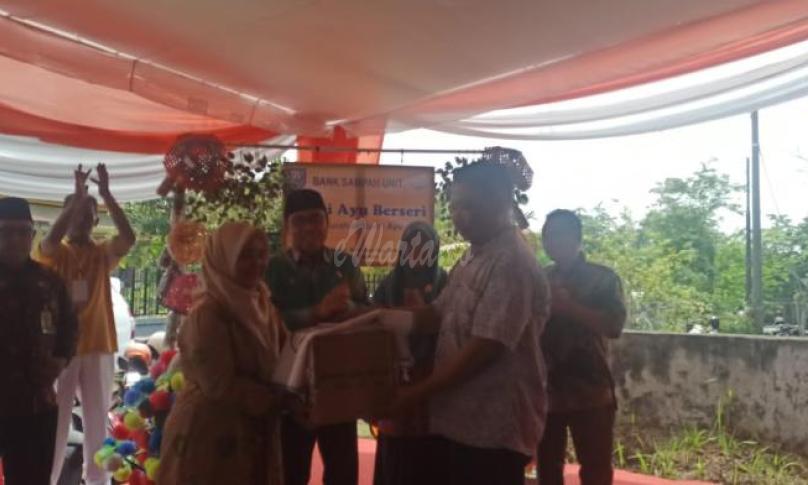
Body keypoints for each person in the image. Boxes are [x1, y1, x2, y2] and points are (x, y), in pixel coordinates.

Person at [391, 161, 550, 485]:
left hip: (493, 426)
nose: (460, 216)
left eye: (470, 206)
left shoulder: (510, 262)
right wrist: (379, 319)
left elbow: (485, 348)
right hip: (458, 421)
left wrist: (416, 393)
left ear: (501, 202)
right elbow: (437, 314)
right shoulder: (473, 256)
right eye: (454, 207)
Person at [158, 222, 285, 485]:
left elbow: (284, 353)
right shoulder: (209, 313)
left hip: (252, 431)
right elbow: (219, 385)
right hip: (209, 436)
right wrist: (278, 399)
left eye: (261, 254)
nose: (257, 263)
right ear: (223, 259)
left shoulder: (262, 303)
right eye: (245, 255)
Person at [35, 164, 136, 485]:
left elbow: (129, 238)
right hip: (60, 350)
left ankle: (97, 481)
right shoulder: (55, 253)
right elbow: (50, 240)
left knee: (97, 422)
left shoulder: (102, 253)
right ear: (66, 218)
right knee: (56, 422)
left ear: (95, 220)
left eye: (87, 215)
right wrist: (76, 200)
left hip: (98, 346)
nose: (80, 220)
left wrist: (105, 194)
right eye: (74, 214)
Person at [266, 188, 367, 485]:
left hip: (338, 384)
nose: (309, 227)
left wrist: (349, 308)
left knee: (343, 472)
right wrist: (317, 312)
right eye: (300, 221)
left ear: (327, 222)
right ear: (287, 226)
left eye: (315, 219)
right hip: (289, 390)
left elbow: (366, 313)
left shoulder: (345, 264)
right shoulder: (272, 269)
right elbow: (265, 323)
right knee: (291, 472)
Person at [537, 209, 627, 485]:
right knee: (547, 468)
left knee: (596, 469)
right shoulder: (541, 278)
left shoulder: (602, 278)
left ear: (577, 237)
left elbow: (613, 326)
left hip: (590, 390)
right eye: (547, 235)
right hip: (547, 389)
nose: (551, 240)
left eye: (558, 234)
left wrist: (568, 307)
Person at [0, 197, 78, 485]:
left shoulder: (50, 282)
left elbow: (70, 327)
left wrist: (61, 359)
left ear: (32, 235)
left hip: (36, 405)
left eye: (23, 231)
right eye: (6, 231)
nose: (15, 239)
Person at [372, 221, 448, 485]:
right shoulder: (389, 285)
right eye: (411, 245)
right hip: (393, 379)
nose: (417, 251)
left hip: (435, 381)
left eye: (424, 245)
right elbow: (373, 325)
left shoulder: (445, 283)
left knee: (430, 457)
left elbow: (454, 327)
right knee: (396, 454)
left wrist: (423, 313)